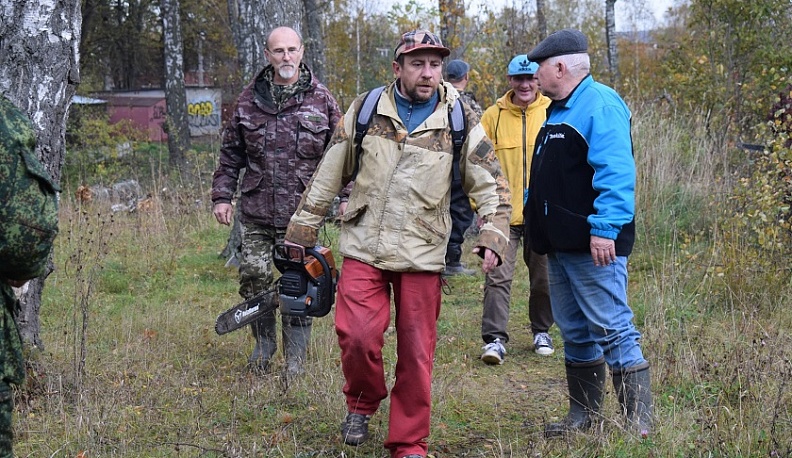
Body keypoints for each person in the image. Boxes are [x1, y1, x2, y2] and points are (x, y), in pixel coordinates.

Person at [284, 30, 511, 458]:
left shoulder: (459, 117)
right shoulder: (367, 110)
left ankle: (408, 442)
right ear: (398, 68)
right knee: (357, 337)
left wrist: (493, 233)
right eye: (417, 64)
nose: (427, 73)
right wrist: (303, 227)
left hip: (423, 253)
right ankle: (363, 401)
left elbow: (490, 182)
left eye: (434, 64)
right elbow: (331, 170)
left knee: (416, 354)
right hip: (365, 244)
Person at [524, 29, 653, 437]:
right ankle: (584, 419)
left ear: (560, 67)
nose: (534, 77)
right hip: (562, 245)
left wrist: (605, 229)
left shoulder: (599, 104)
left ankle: (639, 426)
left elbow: (616, 173)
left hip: (594, 245)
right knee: (577, 332)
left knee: (613, 328)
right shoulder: (560, 110)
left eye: (539, 68)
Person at [211, 26, 342, 376]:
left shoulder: (322, 100)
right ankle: (264, 344)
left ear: (302, 52)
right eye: (278, 51)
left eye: (292, 50)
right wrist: (222, 196)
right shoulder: (248, 100)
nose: (286, 57)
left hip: (301, 216)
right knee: (253, 278)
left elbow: (342, 156)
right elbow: (230, 155)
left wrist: (345, 198)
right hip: (255, 211)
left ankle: (296, 358)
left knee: (298, 284)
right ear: (267, 55)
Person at [478, 55, 555, 365]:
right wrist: (481, 207)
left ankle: (542, 331)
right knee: (496, 275)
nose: (525, 85)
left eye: (530, 78)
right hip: (501, 214)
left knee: (544, 277)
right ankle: (494, 340)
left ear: (538, 80)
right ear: (509, 80)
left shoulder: (553, 111)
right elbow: (477, 164)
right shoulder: (492, 117)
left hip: (542, 213)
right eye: (518, 78)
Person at [442, 59, 481, 276]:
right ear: (465, 77)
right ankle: (452, 261)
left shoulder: (437, 100)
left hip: (438, 167)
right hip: (462, 167)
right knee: (460, 214)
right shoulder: (470, 104)